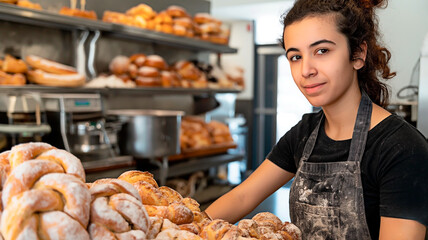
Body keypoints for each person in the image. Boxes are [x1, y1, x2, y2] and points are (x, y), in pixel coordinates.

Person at [204, 0, 428, 239]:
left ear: (358, 54)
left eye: (322, 51)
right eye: (295, 57)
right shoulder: (304, 134)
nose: (306, 70)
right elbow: (242, 197)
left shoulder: (402, 148)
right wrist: (186, 229)